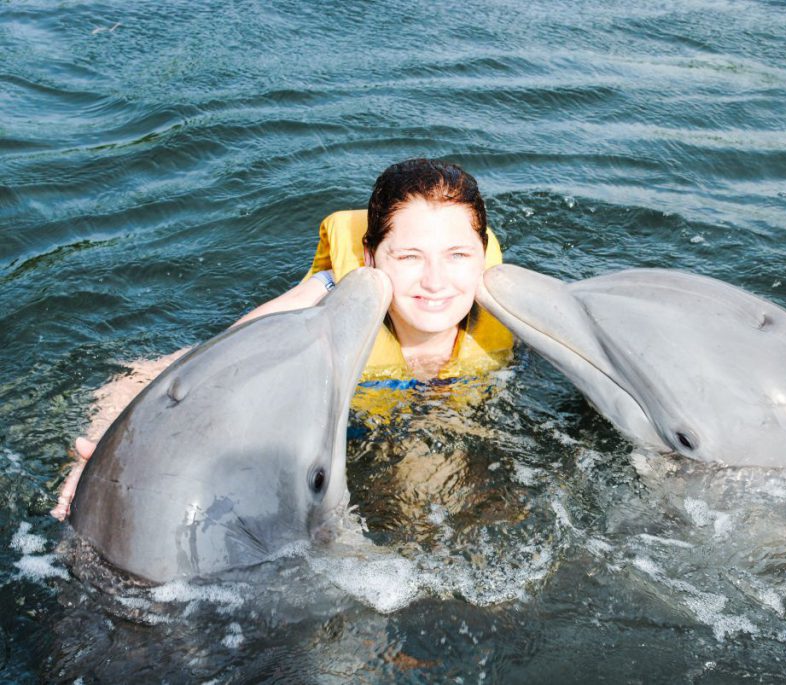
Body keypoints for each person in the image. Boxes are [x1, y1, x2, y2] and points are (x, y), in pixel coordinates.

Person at [50, 158, 514, 520]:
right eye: (410, 255)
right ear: (371, 258)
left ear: (481, 257)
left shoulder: (511, 311)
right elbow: (154, 373)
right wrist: (101, 463)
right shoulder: (326, 299)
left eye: (457, 255)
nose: (436, 281)